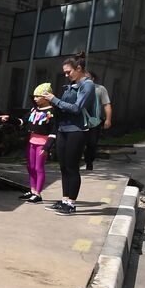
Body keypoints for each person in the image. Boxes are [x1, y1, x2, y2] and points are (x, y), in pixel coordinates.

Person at [40, 56, 94, 215]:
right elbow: (63, 107)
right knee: (63, 167)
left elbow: (76, 108)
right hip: (63, 130)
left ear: (78, 69)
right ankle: (64, 200)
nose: (66, 75)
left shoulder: (88, 86)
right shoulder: (72, 85)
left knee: (72, 167)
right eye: (64, 72)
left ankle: (71, 204)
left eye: (68, 72)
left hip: (76, 131)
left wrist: (54, 99)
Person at [0, 83, 57, 203]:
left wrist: (47, 147)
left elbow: (53, 131)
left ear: (46, 97)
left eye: (38, 96)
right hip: (31, 142)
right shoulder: (34, 110)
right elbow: (22, 121)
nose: (35, 99)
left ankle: (38, 193)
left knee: (38, 168)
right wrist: (9, 119)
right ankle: (32, 190)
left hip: (43, 143)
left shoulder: (52, 112)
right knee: (30, 167)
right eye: (34, 96)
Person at [83, 70, 112, 171]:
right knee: (78, 142)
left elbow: (106, 104)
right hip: (80, 121)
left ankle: (89, 162)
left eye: (88, 78)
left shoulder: (100, 89)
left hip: (94, 121)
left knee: (91, 143)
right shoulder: (79, 87)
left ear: (93, 79)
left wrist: (108, 119)